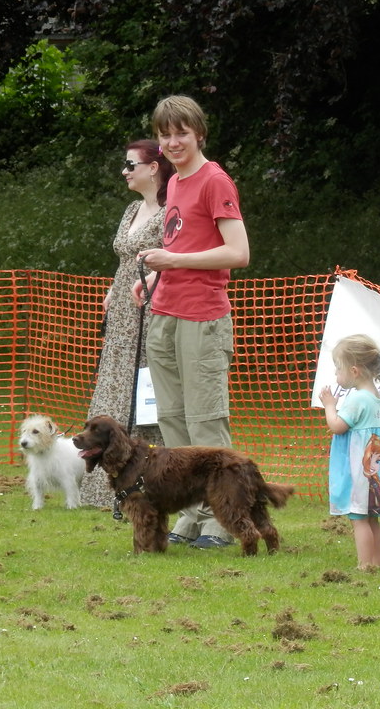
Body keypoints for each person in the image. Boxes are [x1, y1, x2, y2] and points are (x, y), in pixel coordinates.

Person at [133, 95, 250, 549]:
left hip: (203, 316)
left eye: (181, 132)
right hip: (165, 312)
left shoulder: (214, 180)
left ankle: (226, 518)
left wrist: (173, 261)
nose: (173, 141)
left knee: (206, 424)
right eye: (165, 134)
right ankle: (192, 515)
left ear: (199, 133)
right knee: (173, 422)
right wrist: (155, 280)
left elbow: (238, 253)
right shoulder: (176, 183)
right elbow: (181, 250)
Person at [80, 140, 172, 508]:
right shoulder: (133, 208)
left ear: (153, 168)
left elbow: (174, 260)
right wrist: (111, 291)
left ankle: (151, 480)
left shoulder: (170, 212)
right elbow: (124, 260)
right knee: (115, 381)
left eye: (131, 164)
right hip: (121, 308)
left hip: (151, 306)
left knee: (146, 388)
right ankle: (104, 485)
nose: (125, 171)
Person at [319, 334, 380, 569]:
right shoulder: (377, 400)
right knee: (372, 519)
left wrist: (330, 406)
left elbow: (337, 426)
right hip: (376, 476)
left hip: (360, 475)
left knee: (359, 519)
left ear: (354, 371)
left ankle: (365, 565)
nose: (336, 374)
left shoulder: (357, 399)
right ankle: (378, 564)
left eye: (338, 368)